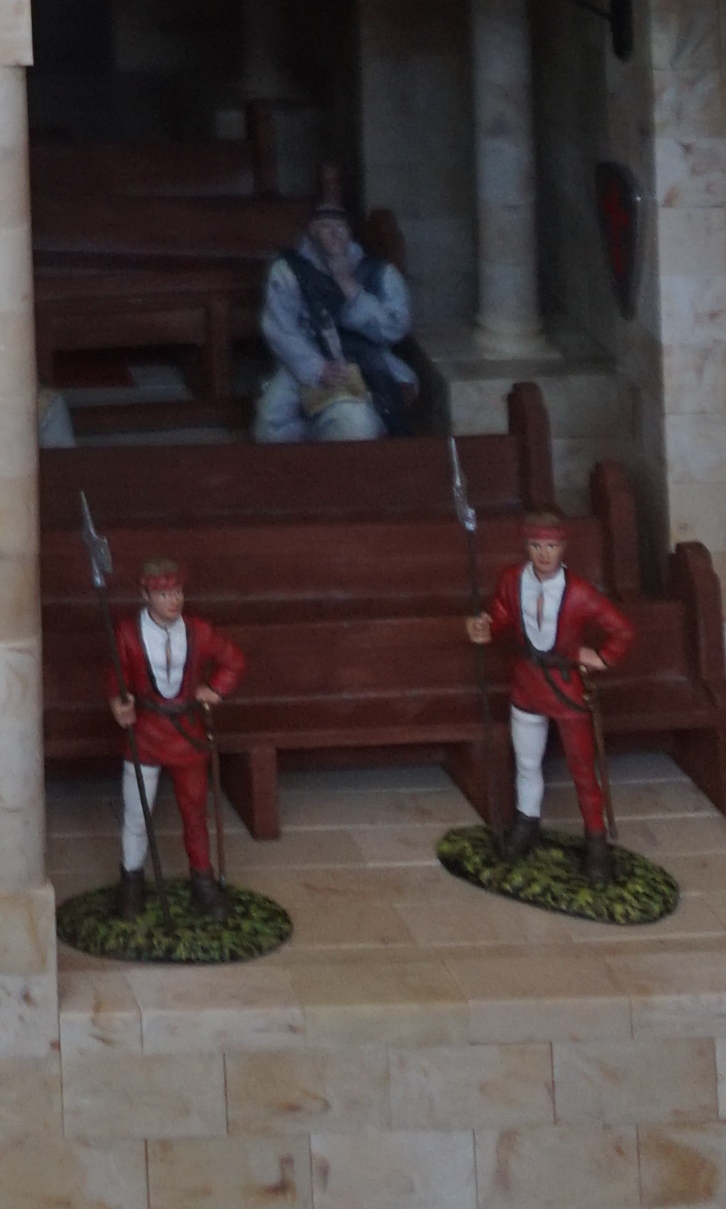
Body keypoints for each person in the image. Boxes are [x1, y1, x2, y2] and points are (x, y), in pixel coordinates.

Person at [463, 506, 632, 869]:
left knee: (582, 769)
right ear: (526, 545)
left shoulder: (580, 592)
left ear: (563, 547)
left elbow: (622, 630)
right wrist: (484, 626)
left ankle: (596, 841)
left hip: (566, 690)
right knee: (526, 762)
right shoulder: (513, 580)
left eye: (551, 546)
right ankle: (527, 824)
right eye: (536, 546)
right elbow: (502, 613)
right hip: (527, 685)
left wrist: (600, 658)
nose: (543, 554)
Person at [108, 557, 247, 908]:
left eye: (178, 592)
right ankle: (131, 880)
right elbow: (116, 673)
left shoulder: (198, 631)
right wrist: (120, 701)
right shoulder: (127, 633)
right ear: (146, 595)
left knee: (194, 812)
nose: (174, 600)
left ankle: (202, 880)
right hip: (144, 733)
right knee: (137, 813)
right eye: (164, 594)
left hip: (186, 733)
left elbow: (233, 660)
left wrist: (215, 690)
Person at [252, 197, 423, 443]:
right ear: (312, 231)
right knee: (272, 424)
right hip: (306, 360)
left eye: (340, 228)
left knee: (359, 425)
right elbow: (280, 328)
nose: (334, 235)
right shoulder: (289, 269)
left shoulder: (379, 271)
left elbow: (395, 326)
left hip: (365, 362)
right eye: (325, 228)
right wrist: (317, 368)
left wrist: (351, 288)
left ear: (349, 232)